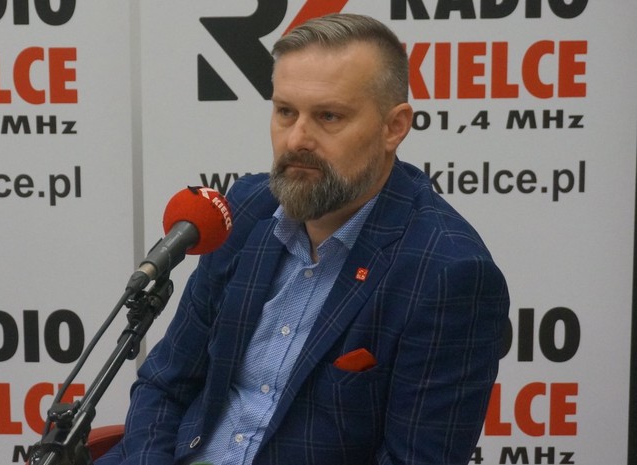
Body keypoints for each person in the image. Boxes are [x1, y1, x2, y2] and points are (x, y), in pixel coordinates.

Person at [96, 13, 509, 465]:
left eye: (329, 116)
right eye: (285, 112)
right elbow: (165, 382)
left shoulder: (448, 272)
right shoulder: (245, 209)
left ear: (394, 127)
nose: (297, 140)